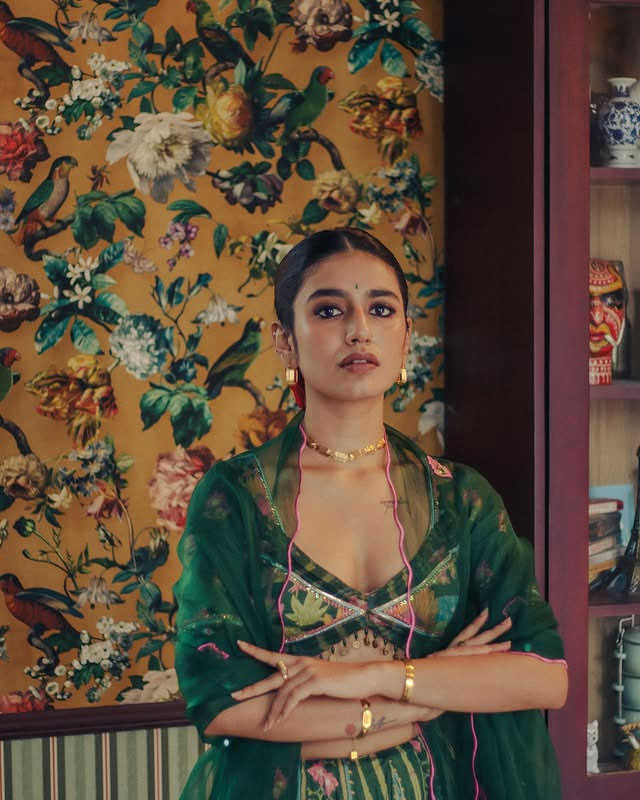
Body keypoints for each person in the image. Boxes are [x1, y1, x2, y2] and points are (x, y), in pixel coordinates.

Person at [173, 227, 568, 800]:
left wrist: (378, 676)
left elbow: (543, 674)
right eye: (329, 310)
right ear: (285, 341)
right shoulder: (236, 498)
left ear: (405, 336)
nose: (359, 329)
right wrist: (420, 701)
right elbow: (222, 705)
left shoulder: (461, 498)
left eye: (380, 309)